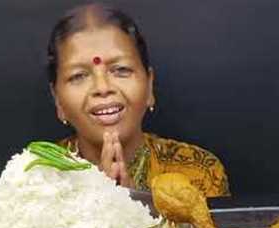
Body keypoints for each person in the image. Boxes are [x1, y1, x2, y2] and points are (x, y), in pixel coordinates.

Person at [47, 3, 229, 197]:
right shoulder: (36, 182)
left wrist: (136, 206)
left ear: (149, 85)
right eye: (78, 76)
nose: (102, 88)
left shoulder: (197, 173)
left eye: (121, 70)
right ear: (58, 99)